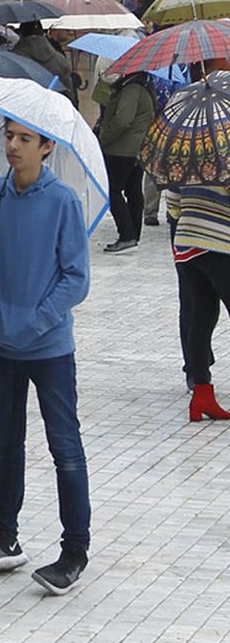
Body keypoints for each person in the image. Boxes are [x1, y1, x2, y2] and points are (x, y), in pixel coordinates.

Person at [0, 116, 92, 595]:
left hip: (49, 347)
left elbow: (76, 277)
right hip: (0, 344)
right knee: (5, 442)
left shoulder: (62, 201)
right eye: (9, 136)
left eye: (24, 139)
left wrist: (36, 320)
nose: (13, 146)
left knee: (65, 448)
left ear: (46, 146)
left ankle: (75, 548)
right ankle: (3, 535)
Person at [168, 179, 230, 419]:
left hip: (187, 245)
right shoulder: (224, 156)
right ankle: (202, 394)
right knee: (203, 317)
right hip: (221, 245)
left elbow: (173, 205)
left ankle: (202, 393)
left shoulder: (184, 156)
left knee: (201, 317)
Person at [93, 64, 155, 251]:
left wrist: (104, 136)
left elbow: (123, 120)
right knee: (133, 190)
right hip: (134, 149)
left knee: (113, 191)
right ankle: (132, 235)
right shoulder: (142, 86)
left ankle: (127, 235)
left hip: (121, 150)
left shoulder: (131, 89)